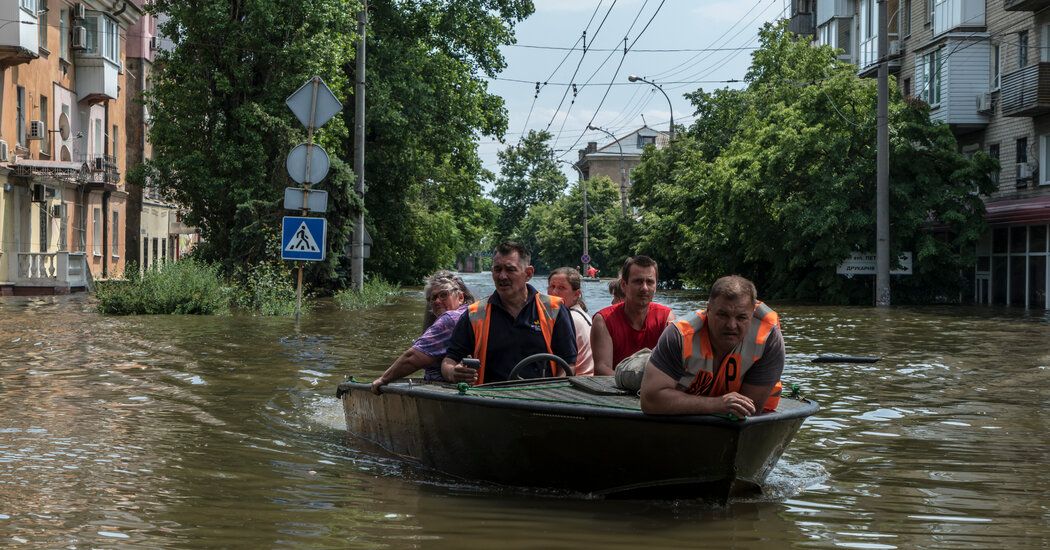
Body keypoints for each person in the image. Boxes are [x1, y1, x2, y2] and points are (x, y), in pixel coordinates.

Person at [640, 275, 784, 417]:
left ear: (752, 315)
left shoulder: (769, 339)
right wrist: (718, 404)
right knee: (634, 373)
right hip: (653, 371)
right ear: (708, 310)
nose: (731, 325)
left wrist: (723, 404)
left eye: (741, 317)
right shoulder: (679, 335)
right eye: (723, 315)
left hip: (704, 390)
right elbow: (650, 400)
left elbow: (751, 409)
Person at [442, 242, 577, 384]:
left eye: (510, 269)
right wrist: (454, 373)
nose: (502, 276)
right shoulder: (474, 314)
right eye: (497, 269)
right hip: (490, 401)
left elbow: (569, 364)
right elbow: (449, 361)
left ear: (528, 273)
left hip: (542, 400)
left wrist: (554, 394)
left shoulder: (554, 309)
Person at [371, 272, 476, 393]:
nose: (437, 301)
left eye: (443, 295)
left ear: (461, 297)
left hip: (446, 391)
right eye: (433, 298)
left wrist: (383, 379)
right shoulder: (473, 314)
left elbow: (412, 358)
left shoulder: (450, 318)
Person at [590, 256, 675, 376]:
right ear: (624, 285)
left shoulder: (666, 317)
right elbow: (602, 369)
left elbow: (672, 366)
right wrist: (635, 383)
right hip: (614, 390)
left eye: (650, 282)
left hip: (653, 389)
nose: (644, 288)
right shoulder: (603, 320)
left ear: (656, 286)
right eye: (638, 281)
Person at [547, 267, 594, 376]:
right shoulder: (583, 314)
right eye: (552, 286)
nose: (554, 292)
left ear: (576, 294)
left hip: (578, 383)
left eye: (561, 288)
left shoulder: (569, 319)